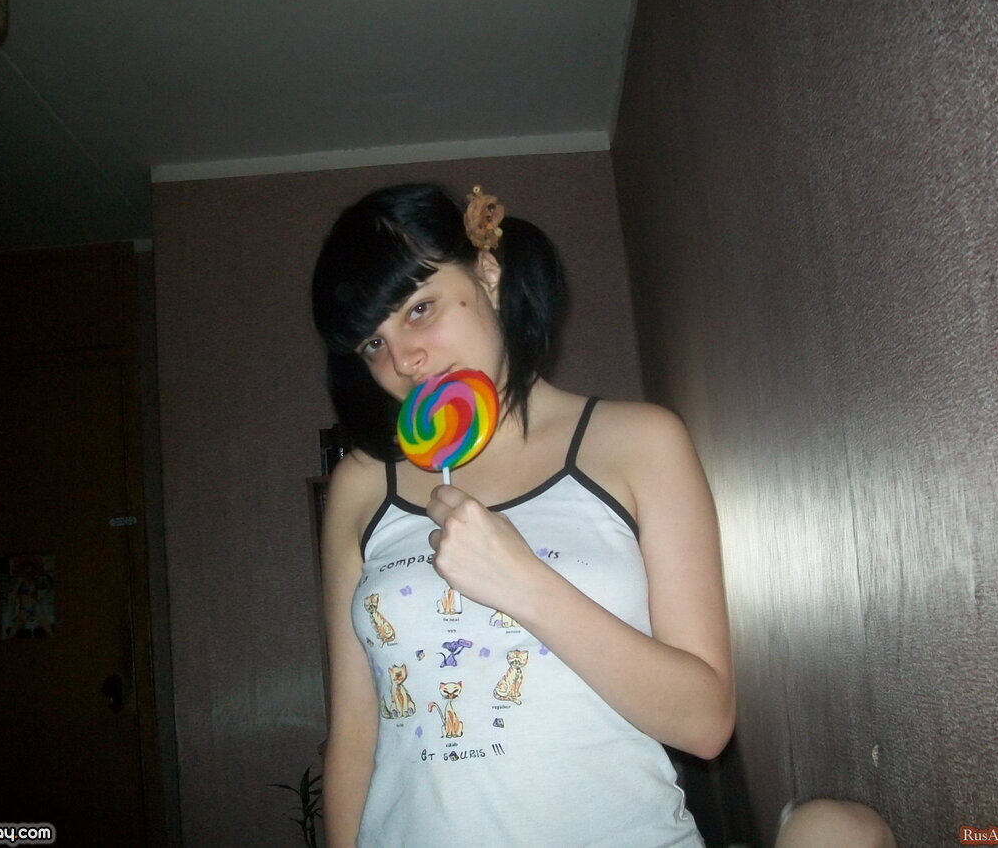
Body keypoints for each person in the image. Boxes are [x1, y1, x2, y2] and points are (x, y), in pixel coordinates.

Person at [311, 183, 733, 848]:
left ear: (487, 272)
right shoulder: (360, 486)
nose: (402, 362)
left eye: (419, 309)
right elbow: (355, 737)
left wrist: (522, 582)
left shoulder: (640, 443)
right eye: (372, 344)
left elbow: (706, 723)